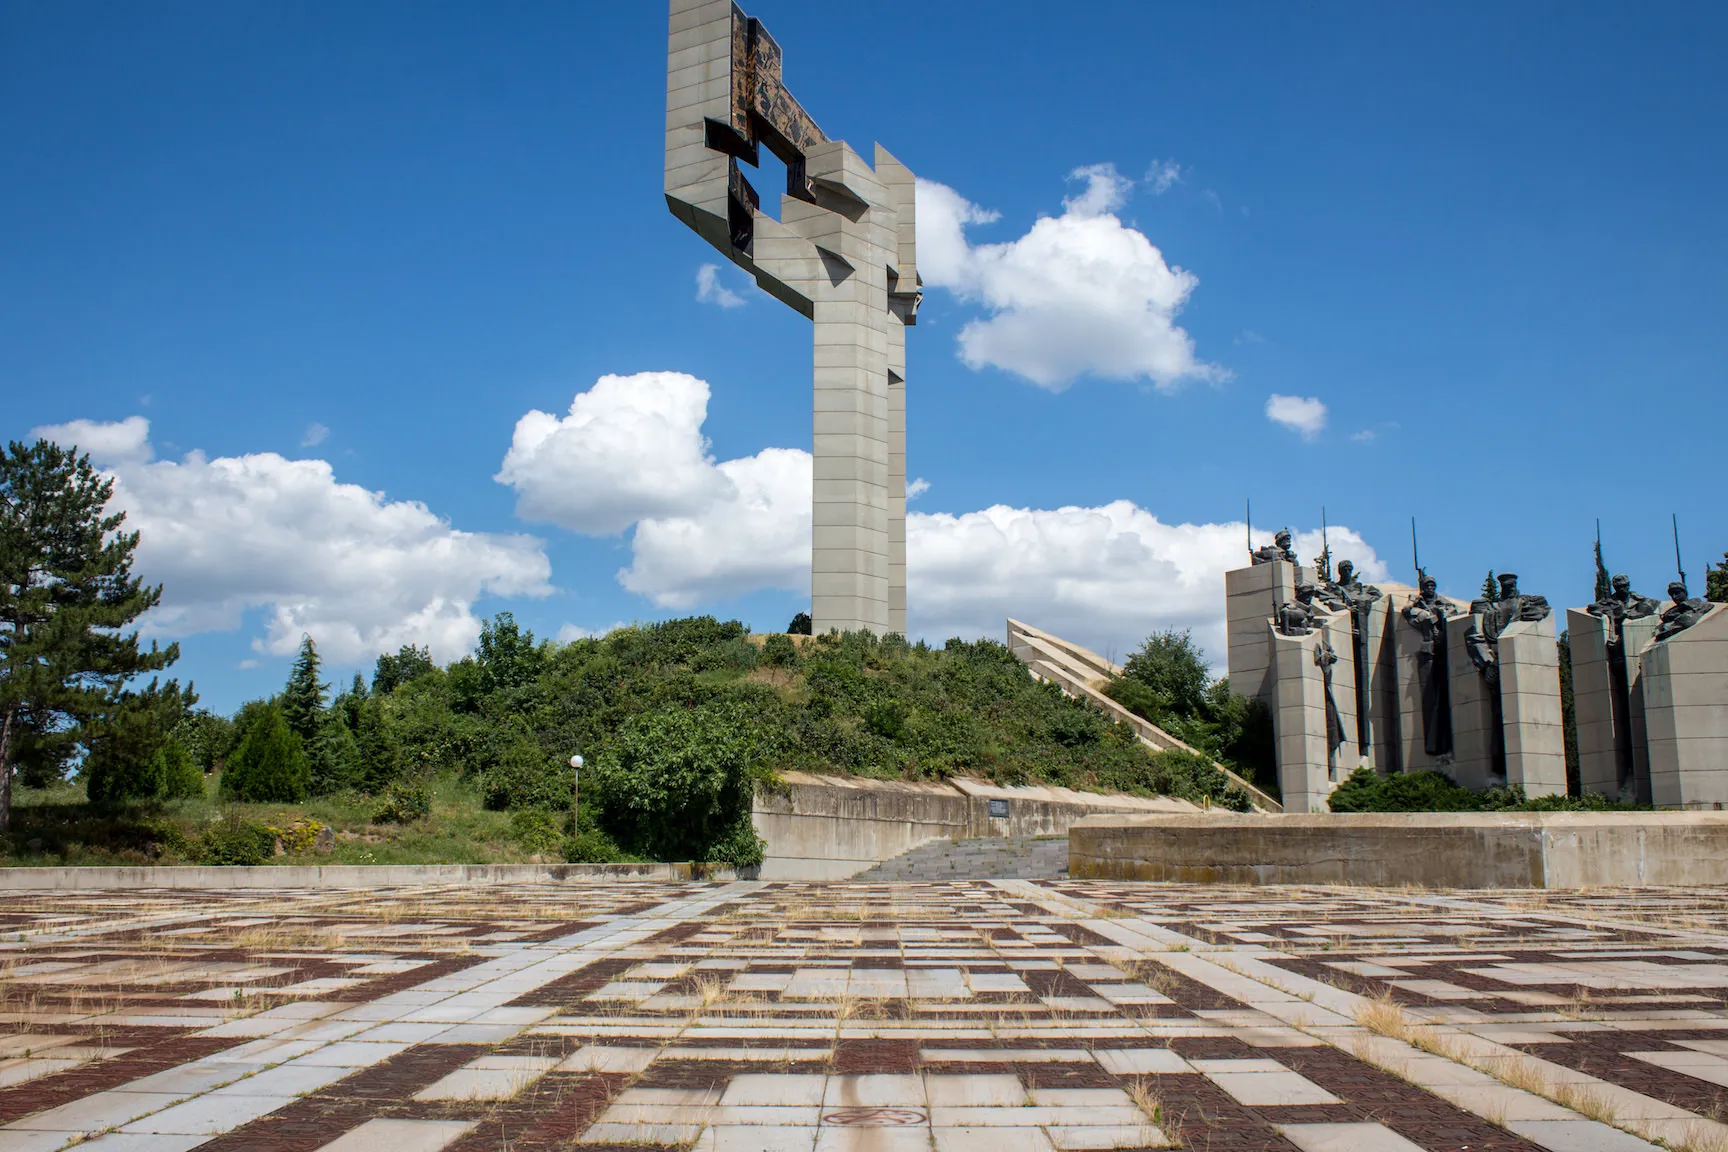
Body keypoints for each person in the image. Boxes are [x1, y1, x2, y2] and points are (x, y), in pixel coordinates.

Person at [1401, 574, 1456, 757]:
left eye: (1432, 585)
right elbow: (1407, 612)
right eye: (1426, 585)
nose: (1430, 588)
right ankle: (1434, 744)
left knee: (1445, 697)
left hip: (1445, 650)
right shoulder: (1419, 606)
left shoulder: (1444, 603)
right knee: (1430, 698)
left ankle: (1446, 743)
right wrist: (1415, 602)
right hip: (1428, 652)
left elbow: (1453, 614)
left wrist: (1442, 613)